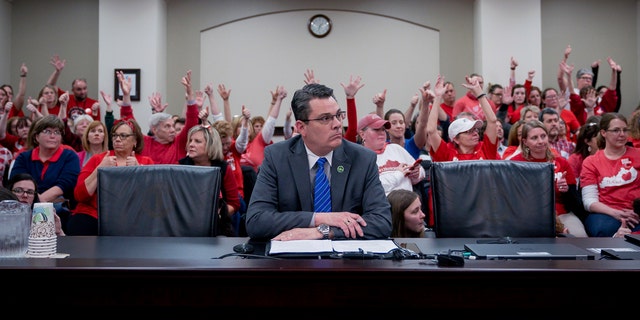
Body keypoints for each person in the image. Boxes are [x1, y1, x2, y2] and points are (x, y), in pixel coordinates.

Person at [245, 83, 392, 241]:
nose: (337, 124)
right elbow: (256, 220)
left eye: (338, 115)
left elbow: (381, 222)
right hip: (291, 261)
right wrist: (318, 219)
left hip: (346, 261)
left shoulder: (362, 159)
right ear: (301, 127)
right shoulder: (277, 157)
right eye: (325, 118)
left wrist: (323, 231)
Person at [67, 118, 154, 236]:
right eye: (115, 135)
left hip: (130, 218)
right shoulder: (98, 159)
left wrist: (139, 171)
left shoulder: (146, 162)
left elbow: (152, 198)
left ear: (135, 141)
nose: (117, 139)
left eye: (123, 136)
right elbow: (79, 195)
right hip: (93, 215)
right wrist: (100, 169)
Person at [509, 120, 588, 237]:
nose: (540, 141)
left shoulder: (561, 162)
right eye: (534, 138)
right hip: (526, 215)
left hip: (560, 213)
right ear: (525, 142)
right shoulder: (515, 164)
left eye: (543, 136)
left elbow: (575, 202)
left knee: (580, 236)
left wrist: (566, 191)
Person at [9, 115, 80, 233]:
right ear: (36, 136)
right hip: (25, 203)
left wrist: (38, 205)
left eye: (57, 132)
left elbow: (65, 184)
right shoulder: (24, 157)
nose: (53, 136)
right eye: (47, 131)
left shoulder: (69, 156)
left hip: (58, 207)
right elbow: (16, 182)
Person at [118, 70, 199, 164]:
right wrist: (126, 95)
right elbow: (128, 123)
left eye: (173, 126)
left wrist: (190, 95)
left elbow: (192, 122)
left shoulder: (178, 143)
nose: (173, 130)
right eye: (167, 126)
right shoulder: (144, 143)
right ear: (154, 129)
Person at [581, 112, 640, 237]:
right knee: (602, 229)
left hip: (636, 213)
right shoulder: (591, 162)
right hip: (606, 214)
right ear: (603, 133)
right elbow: (589, 202)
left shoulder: (638, 155)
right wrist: (616, 213)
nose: (622, 134)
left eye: (625, 130)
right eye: (616, 130)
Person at [178, 125, 240, 237]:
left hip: (217, 226)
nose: (191, 144)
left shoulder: (224, 168)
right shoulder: (181, 166)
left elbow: (234, 203)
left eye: (197, 141)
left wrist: (216, 214)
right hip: (186, 225)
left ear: (211, 145)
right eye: (190, 140)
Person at [427, 75, 499, 161]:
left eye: (475, 129)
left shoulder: (485, 149)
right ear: (456, 139)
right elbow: (431, 130)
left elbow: (492, 121)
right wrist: (437, 97)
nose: (476, 133)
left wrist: (479, 93)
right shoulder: (447, 153)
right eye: (469, 131)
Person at [358, 113, 425, 195]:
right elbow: (372, 188)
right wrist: (398, 174)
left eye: (383, 129)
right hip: (383, 206)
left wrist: (416, 174)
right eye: (376, 129)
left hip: (409, 203)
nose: (382, 133)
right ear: (362, 134)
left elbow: (422, 172)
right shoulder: (359, 157)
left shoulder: (395, 148)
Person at [46, 55, 101, 121]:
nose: (83, 92)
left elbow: (96, 125)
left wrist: (95, 114)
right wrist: (57, 72)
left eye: (85, 88)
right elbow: (50, 86)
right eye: (79, 89)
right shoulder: (66, 99)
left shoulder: (94, 103)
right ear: (73, 90)